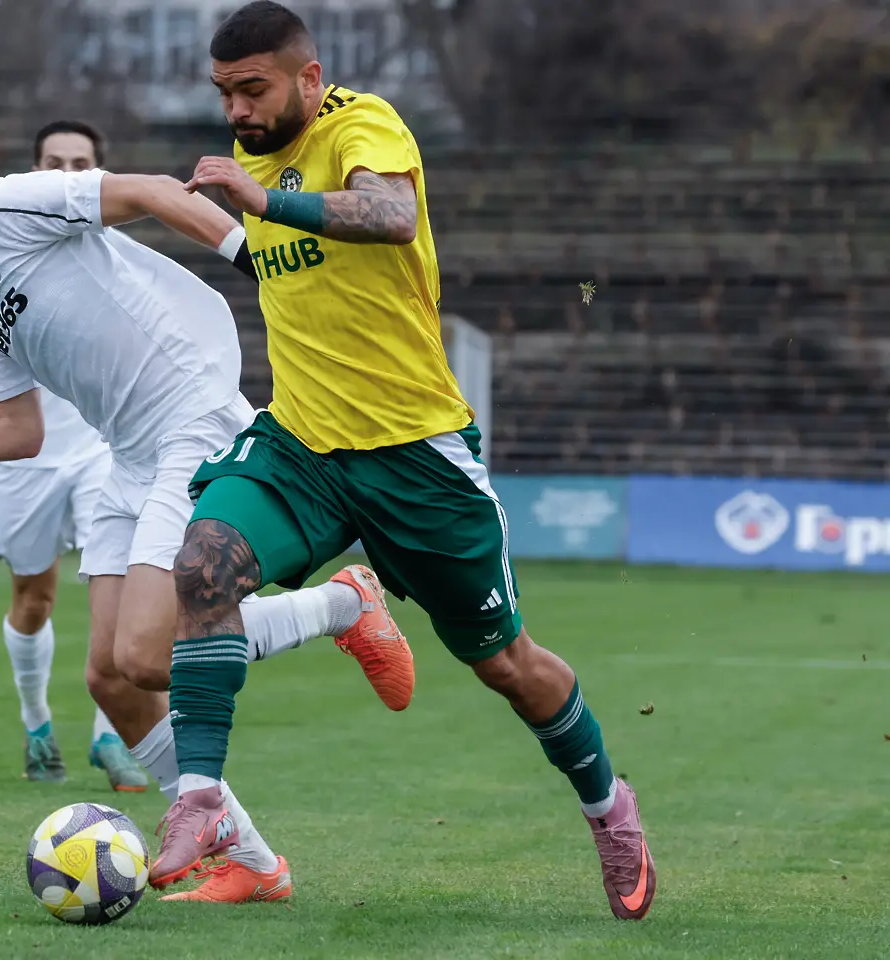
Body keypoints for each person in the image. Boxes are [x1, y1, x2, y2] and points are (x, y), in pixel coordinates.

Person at [0, 99, 417, 903]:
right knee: (112, 679)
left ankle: (341, 604)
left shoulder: (14, 201)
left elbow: (155, 191)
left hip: (191, 417)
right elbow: (17, 431)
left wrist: (253, 259)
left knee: (150, 654)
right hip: (127, 452)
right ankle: (255, 867)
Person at [149, 1, 656, 922]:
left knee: (508, 667)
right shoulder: (245, 162)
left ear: (307, 77)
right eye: (223, 92)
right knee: (204, 567)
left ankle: (607, 807)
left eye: (252, 89)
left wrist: (265, 199)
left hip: (415, 455)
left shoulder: (362, 124)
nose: (236, 110)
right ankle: (202, 800)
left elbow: (389, 215)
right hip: (302, 442)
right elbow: (257, 251)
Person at [0, 119, 144, 791]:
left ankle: (110, 738)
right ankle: (36, 726)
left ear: (97, 171)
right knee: (34, 598)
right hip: (25, 454)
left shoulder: (118, 253)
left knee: (116, 592)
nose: (66, 172)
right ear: (30, 172)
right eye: (54, 162)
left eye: (79, 163)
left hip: (101, 450)